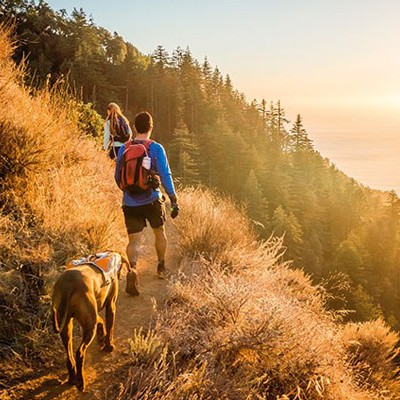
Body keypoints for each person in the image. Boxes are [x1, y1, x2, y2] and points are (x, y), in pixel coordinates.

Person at [114, 111, 179, 295]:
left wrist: (129, 191)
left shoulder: (124, 148)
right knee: (160, 232)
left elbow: (117, 176)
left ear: (134, 127)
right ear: (151, 127)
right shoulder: (156, 148)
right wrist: (173, 198)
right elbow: (165, 175)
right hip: (152, 200)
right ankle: (161, 266)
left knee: (133, 240)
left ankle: (133, 270)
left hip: (129, 202)